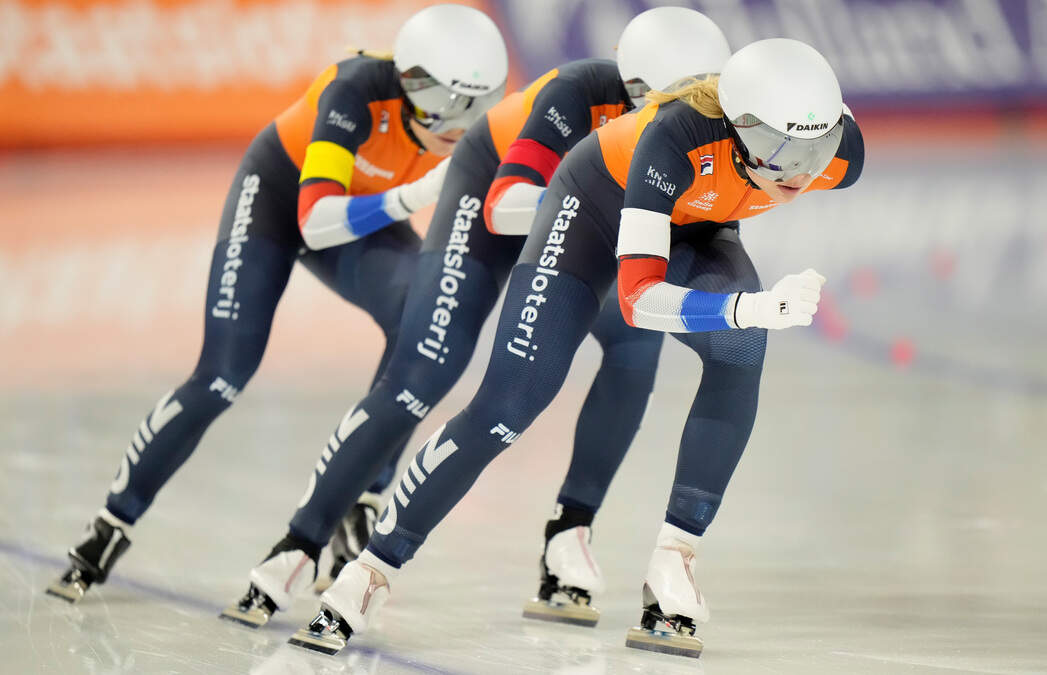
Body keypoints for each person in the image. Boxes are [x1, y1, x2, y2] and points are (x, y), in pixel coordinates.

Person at [290, 38, 865, 659]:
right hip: (590, 211)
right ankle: (373, 569)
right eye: (781, 152)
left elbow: (797, 158)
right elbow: (640, 299)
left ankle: (675, 560)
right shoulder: (674, 138)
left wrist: (743, 315)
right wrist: (746, 305)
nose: (800, 173)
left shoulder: (839, 153)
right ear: (736, 125)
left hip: (694, 221)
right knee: (509, 406)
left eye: (816, 148)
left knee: (740, 351)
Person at [219, 6, 732, 632]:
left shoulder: (704, 126)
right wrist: (621, 203)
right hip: (496, 200)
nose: (691, 118)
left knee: (632, 353)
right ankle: (299, 542)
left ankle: (568, 533)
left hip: (588, 216)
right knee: (427, 370)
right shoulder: (576, 92)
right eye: (675, 104)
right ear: (632, 93)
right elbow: (508, 209)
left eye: (706, 102)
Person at [45, 4, 508, 604]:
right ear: (409, 84)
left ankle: (364, 494)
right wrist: (412, 197)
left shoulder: (467, 121)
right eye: (445, 104)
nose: (458, 125)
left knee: (420, 322)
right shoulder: (356, 91)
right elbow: (314, 222)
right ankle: (112, 522)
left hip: (362, 212)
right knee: (222, 376)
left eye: (478, 105)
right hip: (283, 199)